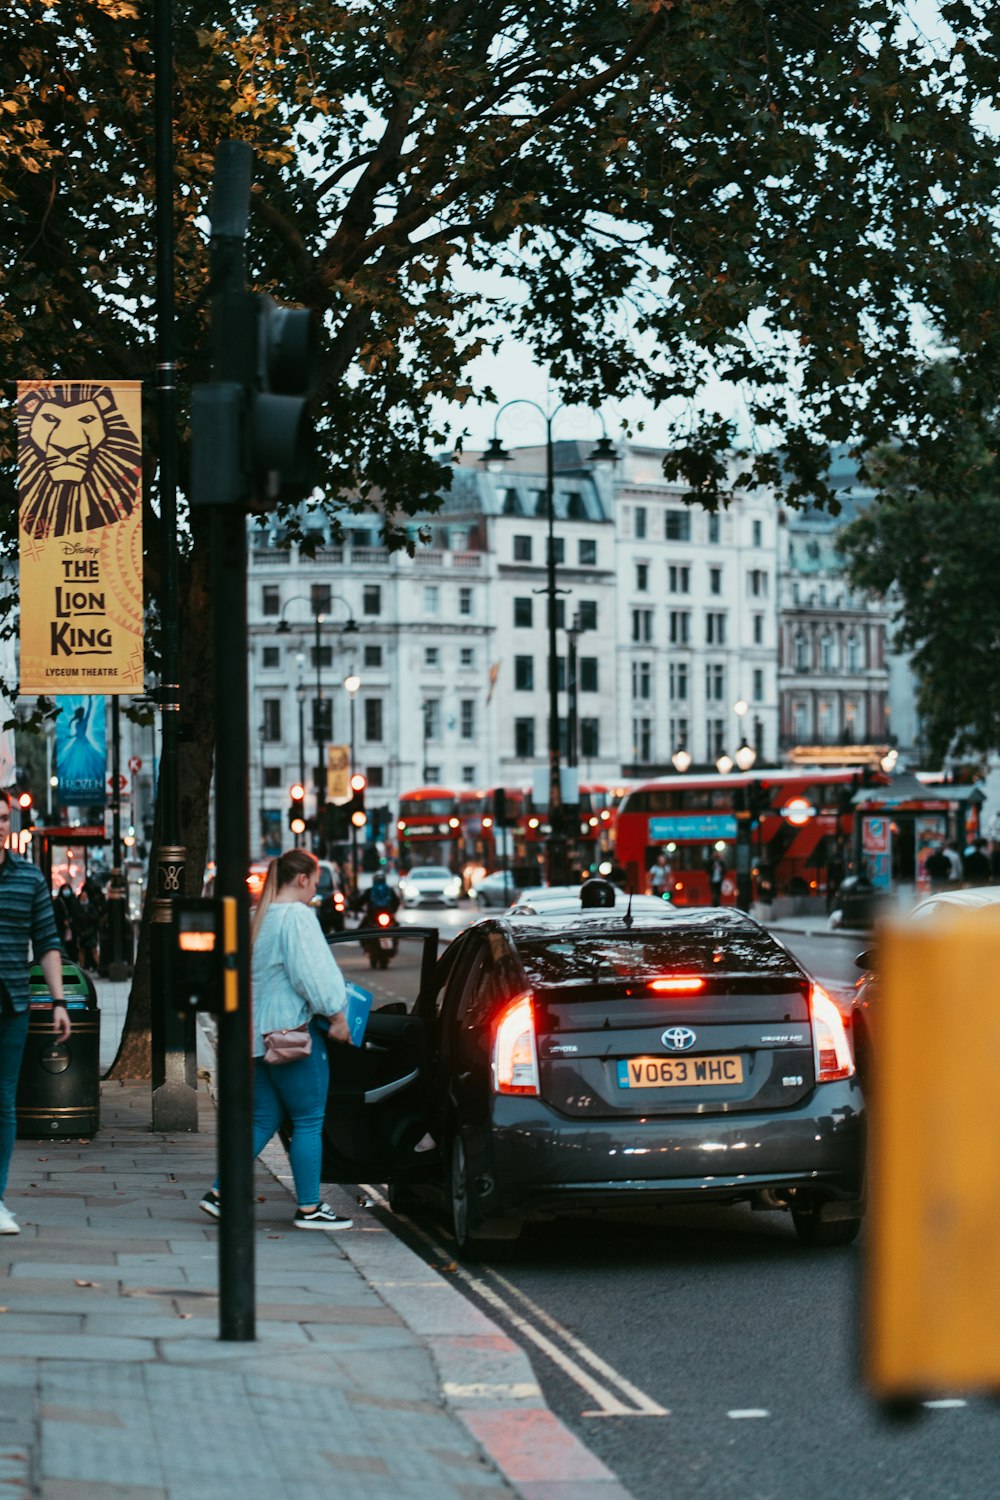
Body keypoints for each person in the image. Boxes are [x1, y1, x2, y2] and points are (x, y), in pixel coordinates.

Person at [199, 849, 354, 1230]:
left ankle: (220, 1193)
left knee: (261, 1119)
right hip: (291, 1036)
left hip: (254, 1038)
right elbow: (313, 975)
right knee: (308, 1119)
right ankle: (310, 1207)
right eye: (315, 882)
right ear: (301, 879)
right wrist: (337, 1015)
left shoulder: (258, 917)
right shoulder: (297, 918)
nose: (315, 890)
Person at [0, 790, 72, 1235]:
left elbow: (46, 942)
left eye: (3, 818)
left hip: (11, 1006)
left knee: (4, 1103)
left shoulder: (28, 878)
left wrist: (59, 1001)